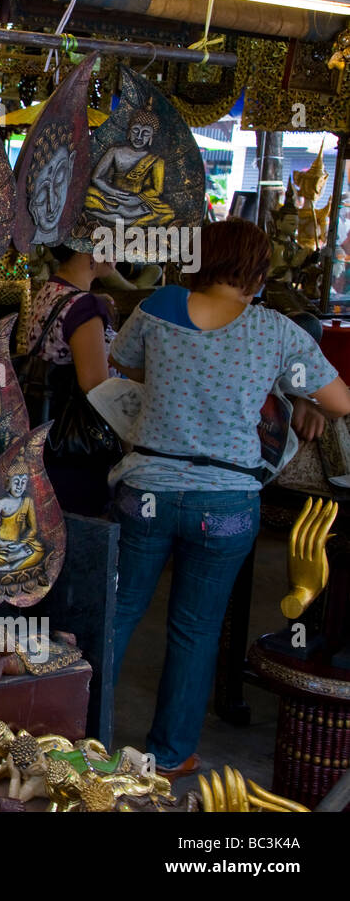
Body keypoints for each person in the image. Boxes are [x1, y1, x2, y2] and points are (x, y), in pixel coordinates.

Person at [107, 219, 350, 779]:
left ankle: (81, 734)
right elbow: (337, 400)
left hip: (147, 489)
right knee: (194, 629)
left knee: (117, 613)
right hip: (227, 502)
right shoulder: (275, 330)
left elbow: (125, 363)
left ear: (201, 260)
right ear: (259, 271)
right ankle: (168, 756)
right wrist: (296, 396)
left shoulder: (161, 305)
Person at [24, 244, 118, 516]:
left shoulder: (50, 290)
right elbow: (96, 386)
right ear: (90, 251)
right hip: (76, 445)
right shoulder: (84, 305)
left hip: (45, 432)